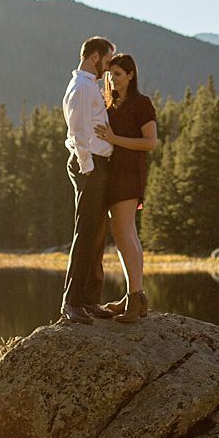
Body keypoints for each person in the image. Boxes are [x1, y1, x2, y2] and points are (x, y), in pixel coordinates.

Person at [94, 53, 159, 322]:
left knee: (124, 232)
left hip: (130, 172)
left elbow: (150, 142)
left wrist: (114, 138)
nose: (112, 78)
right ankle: (135, 296)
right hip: (113, 172)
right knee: (124, 233)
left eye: (118, 74)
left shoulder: (141, 103)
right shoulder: (110, 103)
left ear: (131, 75)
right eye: (110, 74)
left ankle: (134, 299)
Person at [59, 36, 117, 324]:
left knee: (96, 235)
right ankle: (72, 303)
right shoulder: (82, 88)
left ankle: (91, 300)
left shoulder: (88, 86)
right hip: (90, 167)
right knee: (85, 234)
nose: (108, 68)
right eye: (107, 61)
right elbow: (79, 132)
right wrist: (88, 168)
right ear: (95, 57)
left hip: (96, 166)